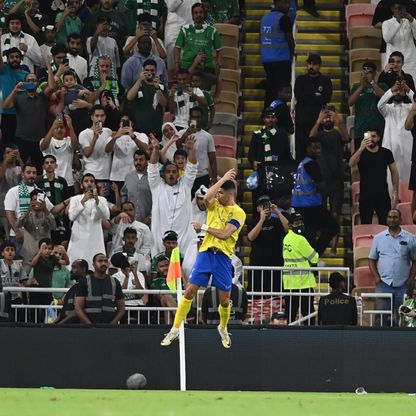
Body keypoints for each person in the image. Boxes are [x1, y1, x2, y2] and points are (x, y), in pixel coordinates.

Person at [161, 168, 246, 349]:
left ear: (229, 194)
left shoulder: (239, 213)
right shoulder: (214, 205)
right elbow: (207, 197)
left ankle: (223, 327)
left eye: (220, 193)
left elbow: (224, 234)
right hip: (206, 253)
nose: (216, 196)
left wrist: (204, 227)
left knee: (224, 300)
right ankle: (175, 329)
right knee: (189, 291)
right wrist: (222, 178)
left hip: (223, 258)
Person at [148, 134, 198, 256]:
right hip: (160, 235)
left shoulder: (185, 185)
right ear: (164, 174)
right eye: (168, 172)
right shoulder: (157, 186)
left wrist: (191, 150)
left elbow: (192, 168)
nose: (171, 174)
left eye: (174, 172)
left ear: (178, 173)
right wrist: (155, 150)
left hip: (184, 237)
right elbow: (152, 168)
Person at [309, 108, 349, 254]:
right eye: (325, 118)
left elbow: (347, 138)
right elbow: (310, 137)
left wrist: (339, 120)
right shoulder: (319, 135)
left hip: (336, 180)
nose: (328, 120)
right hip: (320, 180)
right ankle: (322, 241)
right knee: (320, 211)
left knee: (335, 213)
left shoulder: (338, 134)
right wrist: (318, 120)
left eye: (329, 117)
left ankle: (334, 245)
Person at [291, 139, 339, 256]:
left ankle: (312, 260)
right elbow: (320, 185)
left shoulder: (302, 163)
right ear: (307, 148)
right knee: (333, 227)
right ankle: (315, 255)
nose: (318, 150)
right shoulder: (311, 164)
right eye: (314, 148)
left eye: (319, 148)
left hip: (300, 205)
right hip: (311, 206)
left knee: (310, 235)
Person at [369, 209, 416, 326]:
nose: (392, 219)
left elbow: (415, 261)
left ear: (400, 220)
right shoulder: (378, 238)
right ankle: (379, 342)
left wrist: (410, 279)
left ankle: (403, 343)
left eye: (395, 217)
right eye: (390, 217)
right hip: (383, 284)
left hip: (403, 285)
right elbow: (371, 259)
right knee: (380, 319)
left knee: (404, 319)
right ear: (386, 219)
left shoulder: (410, 238)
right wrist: (376, 278)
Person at [349, 129, 399, 225]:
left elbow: (394, 172)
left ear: (378, 138)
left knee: (385, 224)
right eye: (369, 136)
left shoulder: (386, 152)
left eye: (374, 136)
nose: (371, 139)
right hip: (365, 195)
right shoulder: (360, 152)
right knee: (365, 223)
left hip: (382, 194)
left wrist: (395, 190)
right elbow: (351, 164)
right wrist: (361, 148)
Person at [294, 53, 332, 162]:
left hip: (318, 122)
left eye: (314, 64)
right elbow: (299, 96)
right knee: (301, 151)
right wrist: (314, 95)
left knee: (318, 152)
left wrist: (308, 96)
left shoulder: (325, 81)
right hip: (302, 121)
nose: (311, 67)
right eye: (309, 64)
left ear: (319, 66)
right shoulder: (300, 80)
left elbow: (326, 98)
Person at [67, 173, 110, 269]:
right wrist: (83, 201)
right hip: (78, 240)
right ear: (82, 185)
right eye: (86, 181)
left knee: (95, 268)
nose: (89, 183)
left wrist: (97, 201)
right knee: (75, 268)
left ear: (95, 184)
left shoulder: (102, 199)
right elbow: (71, 217)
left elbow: (106, 216)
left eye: (92, 181)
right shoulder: (75, 199)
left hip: (95, 239)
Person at [247, 194, 289, 294]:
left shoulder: (276, 221)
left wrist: (278, 212)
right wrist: (262, 219)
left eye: (267, 205)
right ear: (258, 209)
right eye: (262, 206)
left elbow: (288, 229)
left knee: (276, 293)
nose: (265, 208)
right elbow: (251, 237)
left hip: (275, 264)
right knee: (256, 294)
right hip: (257, 264)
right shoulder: (253, 222)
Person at [283, 212, 318, 325]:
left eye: (301, 222)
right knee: (308, 313)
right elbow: (314, 258)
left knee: (290, 313)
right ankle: (310, 336)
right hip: (303, 282)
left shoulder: (286, 238)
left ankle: (288, 336)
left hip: (289, 282)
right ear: (290, 225)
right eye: (297, 223)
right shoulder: (300, 240)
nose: (300, 225)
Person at [377, 79, 414, 184]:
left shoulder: (410, 108)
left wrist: (408, 89)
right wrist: (391, 90)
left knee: (408, 180)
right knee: (390, 179)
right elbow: (379, 104)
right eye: (396, 90)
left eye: (400, 90)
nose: (398, 92)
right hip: (390, 149)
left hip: (408, 149)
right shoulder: (387, 109)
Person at [260, 0, 294, 108]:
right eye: (285, 3)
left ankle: (267, 114)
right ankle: (278, 114)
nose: (288, 6)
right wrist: (292, 54)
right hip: (281, 59)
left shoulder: (264, 18)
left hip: (267, 59)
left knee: (270, 89)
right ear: (277, 3)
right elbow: (290, 40)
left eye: (288, 3)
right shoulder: (283, 18)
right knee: (282, 92)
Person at [174, 2, 222, 77]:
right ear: (192, 16)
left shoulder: (212, 31)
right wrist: (176, 64)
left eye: (201, 12)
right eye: (195, 13)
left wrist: (218, 65)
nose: (198, 15)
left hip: (206, 68)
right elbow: (177, 47)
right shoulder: (185, 29)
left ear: (204, 14)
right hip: (186, 67)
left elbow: (219, 50)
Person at [74, 253, 125, 324]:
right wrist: (90, 325)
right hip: (88, 328)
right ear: (93, 264)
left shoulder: (115, 282)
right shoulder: (84, 282)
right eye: (100, 261)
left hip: (109, 328)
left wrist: (112, 324)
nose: (103, 263)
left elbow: (122, 308)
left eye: (105, 261)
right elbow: (78, 308)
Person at [347, 61, 388, 149]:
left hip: (378, 130)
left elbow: (385, 98)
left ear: (375, 73)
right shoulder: (356, 86)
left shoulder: (382, 85)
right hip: (360, 129)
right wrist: (361, 86)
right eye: (364, 72)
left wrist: (372, 83)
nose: (366, 74)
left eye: (369, 72)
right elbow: (350, 102)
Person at [178, 106, 217, 197]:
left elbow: (212, 158)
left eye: (198, 117)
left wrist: (214, 177)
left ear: (202, 118)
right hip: (185, 175)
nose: (196, 120)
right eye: (193, 117)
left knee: (201, 205)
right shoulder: (182, 133)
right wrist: (185, 135)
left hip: (202, 176)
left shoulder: (208, 136)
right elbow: (177, 146)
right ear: (190, 118)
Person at [125, 58, 168, 139]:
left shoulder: (161, 86)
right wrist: (139, 80)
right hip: (139, 129)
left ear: (156, 71)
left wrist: (157, 88)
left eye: (152, 70)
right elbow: (129, 97)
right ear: (142, 70)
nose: (149, 73)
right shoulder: (138, 84)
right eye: (147, 70)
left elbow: (164, 103)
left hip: (156, 128)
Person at [106, 114, 149, 185]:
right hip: (117, 176)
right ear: (119, 123)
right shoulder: (114, 136)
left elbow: (145, 149)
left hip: (135, 175)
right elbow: (107, 150)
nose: (124, 123)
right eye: (122, 121)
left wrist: (133, 136)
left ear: (132, 123)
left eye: (127, 121)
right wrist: (116, 137)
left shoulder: (140, 135)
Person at [40, 114, 79, 190]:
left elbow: (75, 146)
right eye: (56, 128)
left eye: (62, 127)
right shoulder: (46, 140)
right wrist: (52, 127)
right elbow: (43, 146)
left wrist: (70, 126)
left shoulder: (69, 140)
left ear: (65, 129)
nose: (59, 130)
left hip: (67, 181)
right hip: (49, 181)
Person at [0, 47, 29, 143]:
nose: (14, 59)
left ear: (21, 59)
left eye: (17, 57)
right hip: (7, 113)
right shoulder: (3, 70)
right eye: (11, 57)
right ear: (7, 59)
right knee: (7, 144)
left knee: (21, 144)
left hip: (22, 114)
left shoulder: (26, 74)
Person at [382, 3, 416, 82]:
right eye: (398, 8)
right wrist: (398, 23)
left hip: (409, 60)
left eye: (402, 8)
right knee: (392, 85)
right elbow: (387, 39)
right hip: (394, 61)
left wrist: (412, 20)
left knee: (412, 85)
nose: (400, 11)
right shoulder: (387, 23)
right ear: (392, 9)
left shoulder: (409, 22)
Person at [79, 104, 113, 182]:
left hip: (106, 176)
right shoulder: (84, 133)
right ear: (92, 117)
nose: (99, 119)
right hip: (91, 176)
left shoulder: (108, 131)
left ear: (105, 117)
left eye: (102, 116)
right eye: (97, 116)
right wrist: (94, 138)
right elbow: (87, 154)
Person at [111, 251, 148, 323]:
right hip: (123, 306)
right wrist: (127, 277)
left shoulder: (139, 274)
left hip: (138, 305)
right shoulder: (115, 277)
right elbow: (120, 295)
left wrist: (135, 275)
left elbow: (141, 294)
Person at [29, 238, 60, 321]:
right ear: (40, 248)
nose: (47, 250)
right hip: (36, 289)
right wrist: (39, 252)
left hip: (47, 290)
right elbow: (32, 264)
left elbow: (66, 262)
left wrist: (63, 252)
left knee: (48, 311)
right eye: (45, 248)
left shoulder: (53, 258)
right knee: (34, 312)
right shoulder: (37, 256)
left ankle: (47, 330)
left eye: (49, 248)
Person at [120, 150, 152, 224]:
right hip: (129, 221)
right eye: (136, 160)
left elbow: (157, 198)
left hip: (147, 221)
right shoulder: (128, 177)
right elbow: (124, 195)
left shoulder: (152, 178)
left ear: (147, 162)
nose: (138, 162)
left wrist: (151, 216)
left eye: (141, 160)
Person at [0, 240, 28, 321]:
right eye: (7, 250)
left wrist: (32, 281)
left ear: (15, 253)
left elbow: (24, 281)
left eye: (12, 250)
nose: (10, 252)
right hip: (2, 297)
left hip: (16, 298)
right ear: (2, 253)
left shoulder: (18, 265)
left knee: (17, 320)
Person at [0, 145, 24, 238]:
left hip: (17, 208)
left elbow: (26, 175)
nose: (11, 155)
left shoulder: (19, 169)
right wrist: (6, 161)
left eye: (13, 153)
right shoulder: (1, 168)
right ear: (3, 155)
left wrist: (20, 159)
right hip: (2, 208)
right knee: (6, 237)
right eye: (8, 153)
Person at [164, 0, 195, 70]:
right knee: (173, 65)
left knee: (189, 65)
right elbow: (171, 7)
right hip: (175, 32)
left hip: (191, 31)